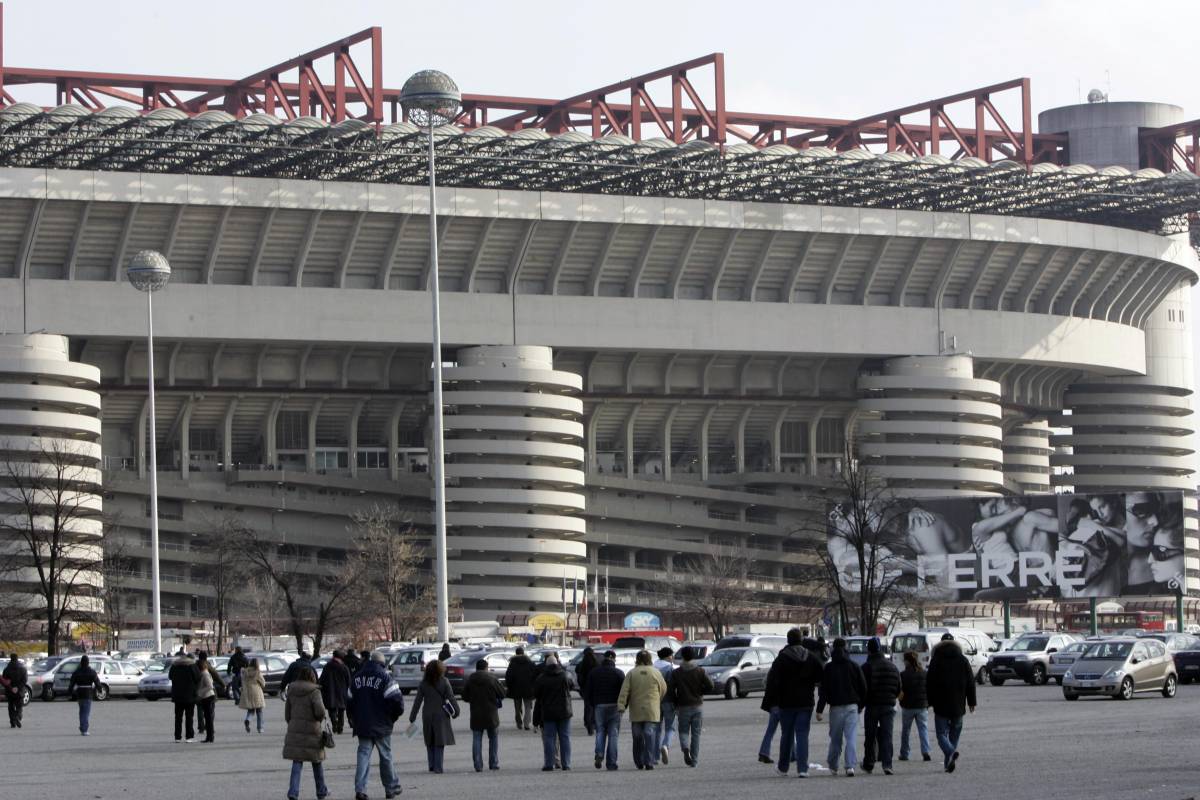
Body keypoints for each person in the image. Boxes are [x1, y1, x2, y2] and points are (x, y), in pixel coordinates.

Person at [761, 628, 824, 778]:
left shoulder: (782, 658)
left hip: (786, 702)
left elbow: (773, 681)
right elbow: (820, 675)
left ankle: (783, 767)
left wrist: (771, 702)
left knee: (787, 735)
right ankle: (803, 769)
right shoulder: (810, 657)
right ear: (801, 640)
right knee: (802, 735)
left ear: (788, 640)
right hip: (806, 702)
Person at [348, 652, 405, 800]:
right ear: (382, 663)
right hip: (382, 724)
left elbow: (348, 700)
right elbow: (398, 702)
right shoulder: (386, 678)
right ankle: (391, 788)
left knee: (363, 756)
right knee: (385, 756)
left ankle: (360, 789)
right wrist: (392, 718)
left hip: (363, 724)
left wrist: (353, 718)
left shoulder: (357, 678)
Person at [925, 633, 977, 774]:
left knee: (941, 734)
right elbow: (970, 683)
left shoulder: (936, 660)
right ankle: (949, 760)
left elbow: (929, 682)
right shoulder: (963, 659)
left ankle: (950, 753)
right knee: (955, 731)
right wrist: (971, 702)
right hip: (958, 704)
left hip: (940, 704)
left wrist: (928, 701)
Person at [816, 638, 867, 777]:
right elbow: (863, 688)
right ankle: (850, 766)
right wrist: (860, 705)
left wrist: (819, 710)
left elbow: (824, 691)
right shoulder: (854, 666)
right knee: (851, 737)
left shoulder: (829, 667)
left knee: (835, 738)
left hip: (836, 708)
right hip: (852, 706)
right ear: (846, 648)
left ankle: (833, 765)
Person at [283, 664, 329, 800]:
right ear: (312, 677)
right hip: (312, 731)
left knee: (297, 762)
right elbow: (320, 711)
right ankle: (321, 791)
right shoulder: (315, 691)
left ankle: (293, 792)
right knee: (317, 761)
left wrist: (293, 723)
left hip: (295, 729)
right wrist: (318, 719)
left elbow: (287, 714)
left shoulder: (291, 690)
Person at [617, 650, 668, 771]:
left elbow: (624, 691)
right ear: (650, 659)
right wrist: (657, 699)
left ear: (637, 659)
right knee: (649, 735)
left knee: (637, 736)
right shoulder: (656, 672)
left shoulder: (632, 673)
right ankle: (649, 761)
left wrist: (621, 705)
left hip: (636, 710)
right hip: (652, 709)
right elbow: (664, 689)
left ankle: (639, 761)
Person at [410, 659, 459, 774]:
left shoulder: (423, 683)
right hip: (441, 715)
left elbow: (417, 701)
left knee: (429, 740)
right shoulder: (444, 682)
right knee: (439, 741)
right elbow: (451, 698)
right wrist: (456, 711)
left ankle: (431, 765)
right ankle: (438, 767)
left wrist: (413, 716)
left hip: (427, 714)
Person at [860, 637, 901, 775]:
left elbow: (863, 688)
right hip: (889, 705)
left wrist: (861, 705)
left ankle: (869, 763)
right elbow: (898, 686)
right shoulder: (892, 666)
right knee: (886, 735)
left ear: (869, 650)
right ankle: (887, 764)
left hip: (872, 705)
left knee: (870, 736)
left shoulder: (867, 667)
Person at [668, 646, 713, 767]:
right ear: (693, 656)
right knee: (696, 734)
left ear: (682, 656)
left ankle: (685, 749)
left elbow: (671, 689)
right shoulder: (700, 671)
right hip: (697, 705)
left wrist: (675, 702)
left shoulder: (676, 672)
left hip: (683, 706)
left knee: (683, 731)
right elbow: (711, 686)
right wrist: (700, 692)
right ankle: (694, 760)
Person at [461, 659, 505, 772]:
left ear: (476, 668)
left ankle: (478, 765)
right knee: (493, 738)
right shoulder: (492, 678)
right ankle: (493, 763)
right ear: (486, 667)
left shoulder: (471, 679)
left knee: (477, 739)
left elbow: (464, 696)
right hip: (491, 713)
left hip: (476, 713)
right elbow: (502, 694)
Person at [584, 650, 625, 770]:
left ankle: (599, 753)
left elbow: (588, 691)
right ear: (614, 659)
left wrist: (592, 704)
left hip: (599, 705)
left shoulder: (594, 672)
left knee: (600, 731)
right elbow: (624, 692)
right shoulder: (619, 673)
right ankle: (611, 763)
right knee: (613, 734)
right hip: (614, 706)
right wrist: (623, 706)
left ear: (604, 659)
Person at [532, 654, 573, 771]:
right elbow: (571, 686)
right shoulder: (564, 676)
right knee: (565, 738)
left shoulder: (541, 678)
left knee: (549, 738)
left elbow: (536, 694)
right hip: (564, 711)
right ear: (557, 663)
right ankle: (566, 764)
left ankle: (549, 764)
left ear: (546, 665)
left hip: (548, 712)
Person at [898, 650, 931, 762]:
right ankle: (925, 751)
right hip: (922, 706)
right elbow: (928, 690)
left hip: (908, 706)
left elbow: (900, 691)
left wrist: (901, 702)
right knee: (923, 729)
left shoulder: (903, 674)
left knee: (906, 731)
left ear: (907, 661)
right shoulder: (924, 673)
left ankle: (904, 753)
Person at [169, 649, 202, 743]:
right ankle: (189, 736)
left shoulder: (175, 665)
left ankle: (177, 737)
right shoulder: (192, 665)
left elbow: (170, 676)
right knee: (189, 716)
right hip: (190, 695)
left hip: (177, 695)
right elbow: (198, 677)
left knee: (178, 717)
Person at [652, 646, 676, 765]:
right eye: (671, 655)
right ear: (667, 656)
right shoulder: (669, 668)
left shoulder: (653, 667)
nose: (672, 658)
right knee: (670, 727)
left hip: (655, 701)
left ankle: (654, 756)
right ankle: (665, 745)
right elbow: (672, 686)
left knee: (656, 728)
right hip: (668, 700)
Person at [319, 650, 352, 735]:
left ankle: (334, 723)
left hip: (330, 691)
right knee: (341, 709)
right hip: (342, 692)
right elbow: (349, 681)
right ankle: (340, 727)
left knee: (332, 709)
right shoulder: (344, 667)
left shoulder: (327, 666)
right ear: (341, 658)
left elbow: (322, 680)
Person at [195, 651, 226, 743]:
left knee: (202, 712)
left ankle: (203, 728)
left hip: (204, 695)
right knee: (209, 714)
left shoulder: (197, 667)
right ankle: (209, 731)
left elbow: (209, 685)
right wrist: (222, 684)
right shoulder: (206, 666)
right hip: (205, 695)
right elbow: (215, 675)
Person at [504, 646, 536, 731]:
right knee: (528, 707)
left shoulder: (512, 663)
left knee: (517, 708)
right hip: (528, 689)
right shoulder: (530, 662)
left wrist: (509, 686)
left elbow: (508, 676)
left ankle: (519, 723)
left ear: (516, 653)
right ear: (523, 652)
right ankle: (527, 724)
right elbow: (535, 675)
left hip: (516, 689)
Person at [68, 655, 98, 736]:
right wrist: (100, 689)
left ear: (81, 663)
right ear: (88, 663)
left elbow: (71, 683)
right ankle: (84, 729)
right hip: (88, 693)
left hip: (79, 693)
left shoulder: (77, 672)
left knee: (82, 711)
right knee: (85, 712)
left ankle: (82, 727)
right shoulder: (91, 672)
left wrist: (70, 691)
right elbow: (97, 682)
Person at [239, 657, 267, 733]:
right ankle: (260, 728)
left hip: (248, 691)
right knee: (259, 711)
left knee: (250, 710)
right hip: (256, 692)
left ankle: (248, 720)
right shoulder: (257, 672)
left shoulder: (245, 672)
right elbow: (263, 683)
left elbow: (243, 682)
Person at [576, 646, 598, 736]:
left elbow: (579, 676)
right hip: (595, 688)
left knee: (587, 707)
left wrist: (581, 686)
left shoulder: (581, 664)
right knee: (595, 707)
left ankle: (588, 723)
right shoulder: (597, 664)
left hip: (585, 688)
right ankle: (594, 723)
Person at [3, 652, 27, 728]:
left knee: (11, 706)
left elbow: (4, 681)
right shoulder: (23, 669)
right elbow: (24, 680)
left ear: (11, 658)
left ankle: (12, 722)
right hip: (19, 691)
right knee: (19, 706)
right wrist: (18, 688)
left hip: (10, 691)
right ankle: (17, 716)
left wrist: (11, 688)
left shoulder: (6, 669)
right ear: (17, 658)